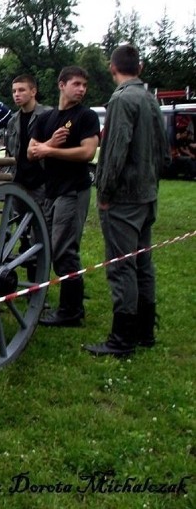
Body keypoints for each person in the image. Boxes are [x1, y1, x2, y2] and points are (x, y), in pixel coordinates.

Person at [84, 45, 169, 357]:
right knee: (143, 264)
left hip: (124, 199)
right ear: (140, 68)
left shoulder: (121, 99)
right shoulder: (149, 99)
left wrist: (104, 193)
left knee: (122, 266)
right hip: (147, 195)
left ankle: (122, 339)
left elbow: (116, 150)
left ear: (111, 68)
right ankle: (145, 331)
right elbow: (164, 150)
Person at [28, 66, 100, 327]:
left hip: (73, 190)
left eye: (84, 85)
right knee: (44, 246)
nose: (81, 89)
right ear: (61, 85)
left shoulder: (87, 116)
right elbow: (29, 152)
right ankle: (45, 299)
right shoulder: (46, 118)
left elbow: (87, 153)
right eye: (76, 84)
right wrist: (48, 146)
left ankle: (71, 311)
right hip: (50, 190)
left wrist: (48, 150)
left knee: (63, 250)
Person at [5, 74, 50, 203]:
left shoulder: (47, 115)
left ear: (33, 91)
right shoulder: (13, 121)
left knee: (42, 221)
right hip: (18, 181)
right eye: (14, 91)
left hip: (41, 182)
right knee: (18, 220)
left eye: (21, 90)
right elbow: (10, 151)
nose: (16, 94)